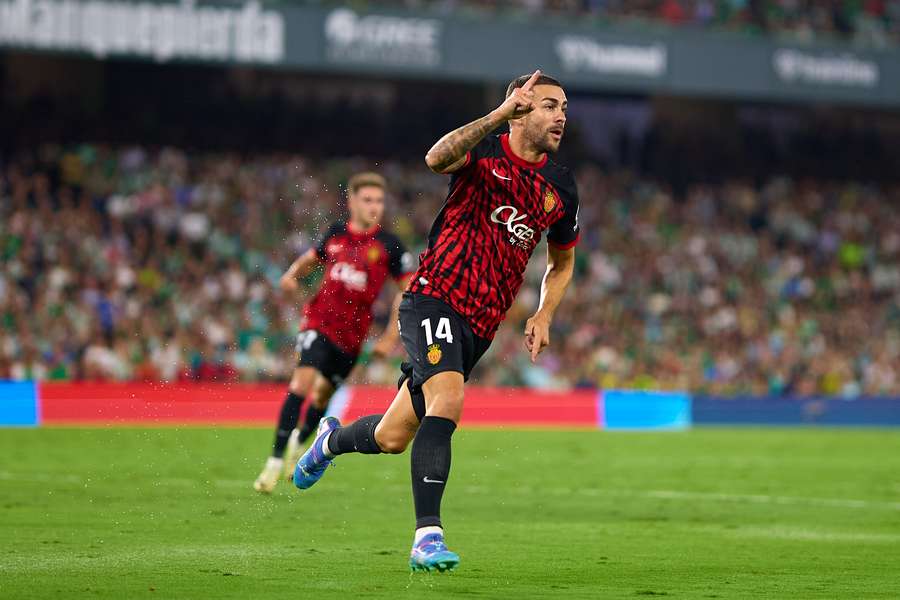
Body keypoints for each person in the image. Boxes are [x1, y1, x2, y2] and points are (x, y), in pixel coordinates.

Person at [292, 70, 580, 572]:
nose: (560, 116)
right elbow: (434, 158)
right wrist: (495, 117)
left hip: (481, 327)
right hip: (434, 299)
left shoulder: (561, 186)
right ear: (520, 106)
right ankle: (427, 537)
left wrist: (544, 311)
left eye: (564, 108)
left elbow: (563, 259)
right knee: (448, 399)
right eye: (549, 105)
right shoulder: (485, 151)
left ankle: (330, 440)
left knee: (391, 436)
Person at [253, 172, 413, 493]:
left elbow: (407, 290)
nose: (375, 206)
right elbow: (310, 260)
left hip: (352, 337)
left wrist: (390, 337)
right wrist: (290, 276)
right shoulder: (335, 233)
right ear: (352, 202)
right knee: (302, 381)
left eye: (379, 201)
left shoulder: (390, 246)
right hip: (319, 321)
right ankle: (273, 462)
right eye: (368, 200)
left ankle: (300, 442)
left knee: (324, 395)